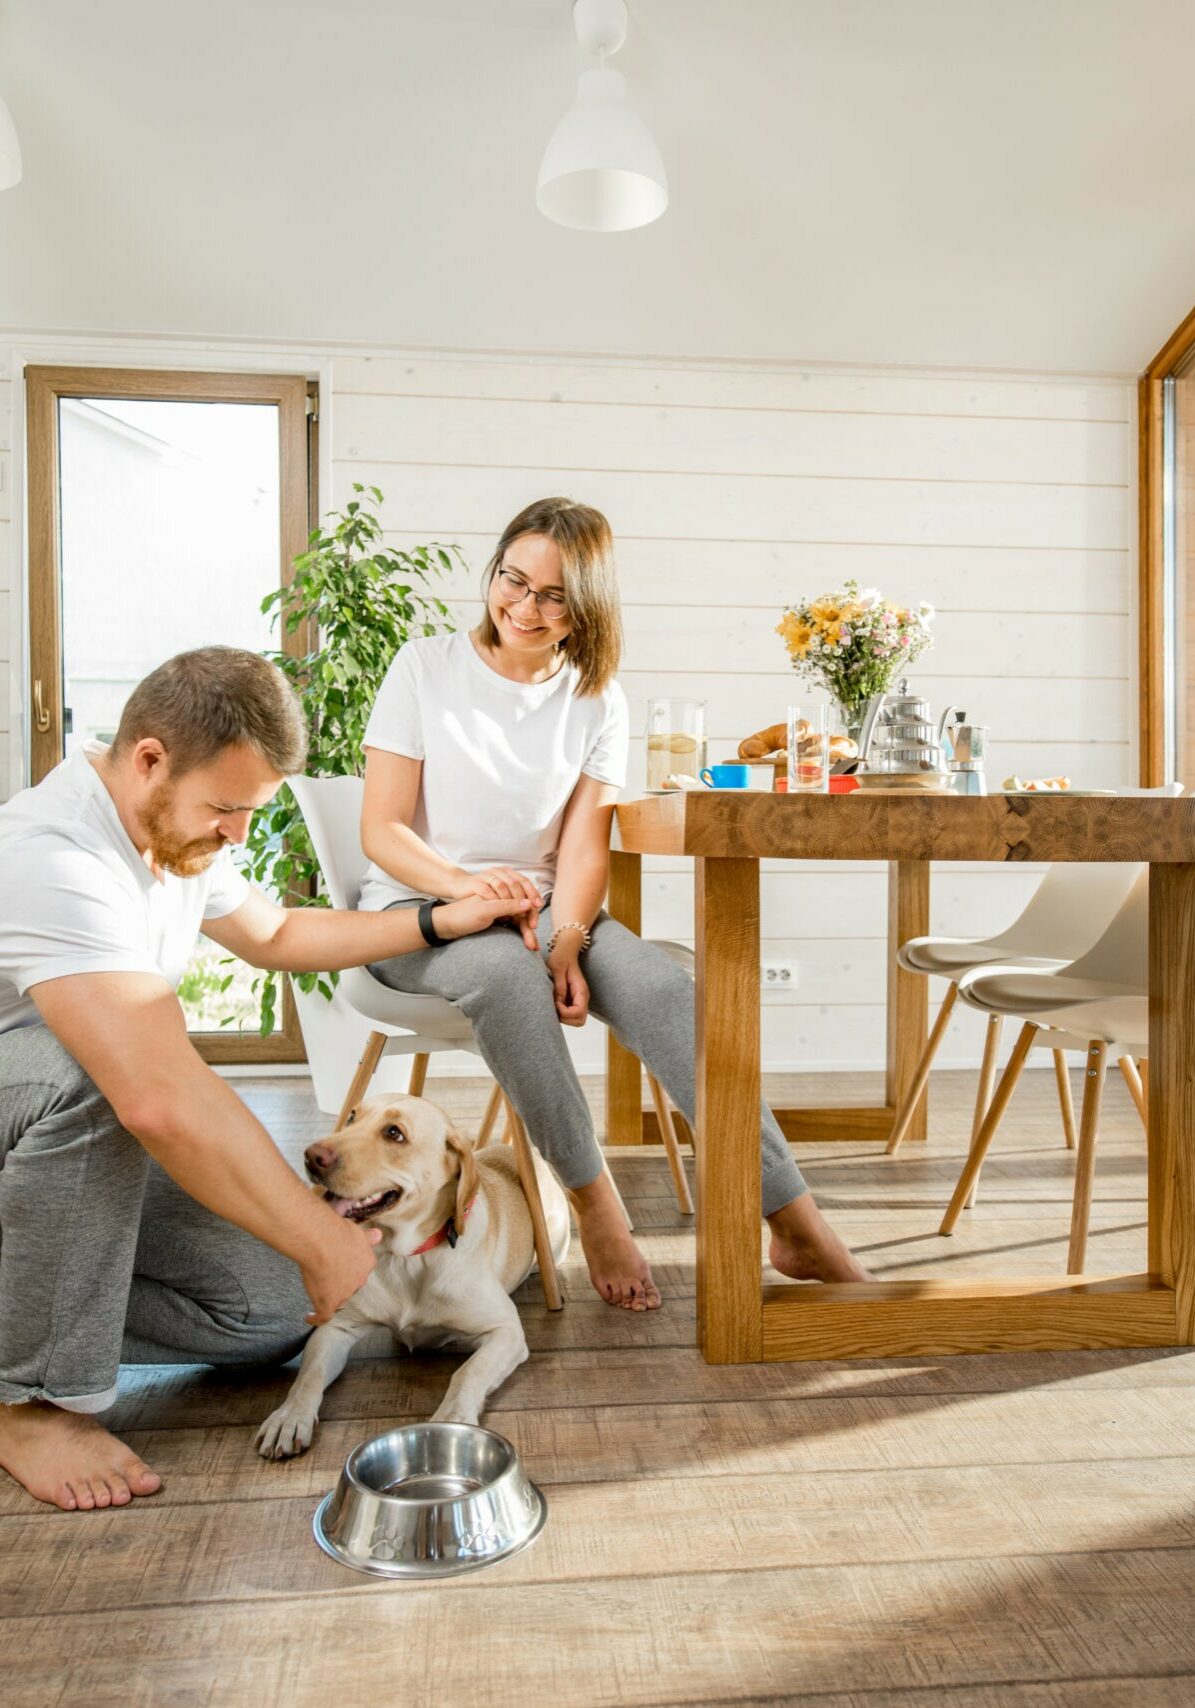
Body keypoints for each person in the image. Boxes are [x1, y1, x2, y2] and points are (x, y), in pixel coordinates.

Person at [0, 646, 531, 1513]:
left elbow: (278, 933)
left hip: (54, 1160)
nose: (238, 834)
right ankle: (34, 1401)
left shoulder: (170, 835)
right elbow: (155, 1096)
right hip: (32, 1114)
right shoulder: (52, 857)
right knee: (100, 1071)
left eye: (250, 811)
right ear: (148, 759)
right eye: (226, 808)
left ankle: (26, 1312)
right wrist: (323, 1238)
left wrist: (441, 919)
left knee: (274, 1308)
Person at [360, 497, 870, 1313]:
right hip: (419, 911)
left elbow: (583, 845)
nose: (525, 608)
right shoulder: (423, 669)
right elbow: (382, 830)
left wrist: (566, 938)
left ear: (587, 606)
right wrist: (471, 891)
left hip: (543, 910)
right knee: (503, 976)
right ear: (492, 574)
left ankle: (794, 1218)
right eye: (512, 581)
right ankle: (595, 1206)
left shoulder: (598, 696)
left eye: (553, 596)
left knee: (668, 991)